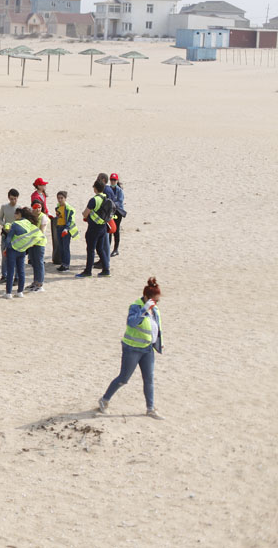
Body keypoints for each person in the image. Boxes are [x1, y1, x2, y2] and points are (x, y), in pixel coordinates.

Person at [97, 278, 164, 420]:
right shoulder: (135, 306)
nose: (156, 303)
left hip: (147, 349)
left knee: (149, 379)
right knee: (124, 378)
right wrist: (144, 310)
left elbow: (157, 327)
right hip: (132, 349)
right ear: (146, 298)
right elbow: (132, 323)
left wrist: (158, 342)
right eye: (154, 301)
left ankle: (150, 408)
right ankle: (104, 400)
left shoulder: (155, 309)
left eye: (157, 301)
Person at [3, 207, 42, 298]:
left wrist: (5, 248)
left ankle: (8, 293)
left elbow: (9, 238)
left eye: (16, 213)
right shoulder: (29, 224)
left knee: (10, 271)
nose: (14, 215)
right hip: (22, 249)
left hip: (13, 249)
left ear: (20, 214)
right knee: (21, 271)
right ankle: (20, 291)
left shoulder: (16, 224)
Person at [78, 180, 112, 278]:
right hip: (103, 227)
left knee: (90, 249)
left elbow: (85, 213)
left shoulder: (94, 200)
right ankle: (106, 269)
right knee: (100, 249)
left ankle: (88, 271)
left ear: (95, 188)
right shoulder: (106, 198)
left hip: (94, 228)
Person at [31, 177, 59, 267]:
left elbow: (44, 206)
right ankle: (33, 258)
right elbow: (36, 207)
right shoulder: (35, 196)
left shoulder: (42, 193)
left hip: (44, 215)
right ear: (38, 186)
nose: (45, 186)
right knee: (37, 236)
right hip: (38, 217)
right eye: (43, 184)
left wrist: (48, 213)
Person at [0, 189, 19, 285]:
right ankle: (4, 276)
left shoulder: (19, 208)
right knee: (4, 255)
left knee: (16, 256)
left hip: (16, 234)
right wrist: (4, 225)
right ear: (8, 198)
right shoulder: (4, 207)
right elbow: (0, 218)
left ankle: (16, 277)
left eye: (15, 199)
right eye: (11, 199)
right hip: (5, 233)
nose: (13, 201)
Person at [54, 191, 79, 272]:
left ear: (65, 198)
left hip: (65, 229)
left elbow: (70, 220)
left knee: (65, 247)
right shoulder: (58, 207)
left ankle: (66, 265)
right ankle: (63, 263)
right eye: (58, 198)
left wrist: (66, 228)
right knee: (61, 247)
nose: (60, 200)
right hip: (59, 228)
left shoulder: (69, 208)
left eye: (62, 198)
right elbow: (59, 217)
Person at [28, 203, 47, 292]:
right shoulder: (31, 217)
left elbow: (41, 231)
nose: (38, 209)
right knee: (34, 263)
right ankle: (35, 282)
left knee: (39, 263)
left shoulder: (43, 217)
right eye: (36, 207)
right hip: (32, 243)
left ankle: (40, 284)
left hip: (39, 243)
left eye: (39, 207)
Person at [109, 173, 126, 257]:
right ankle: (107, 248)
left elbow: (120, 202)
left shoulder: (119, 190)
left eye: (114, 180)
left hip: (117, 212)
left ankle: (116, 249)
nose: (112, 181)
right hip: (109, 212)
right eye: (111, 180)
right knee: (109, 230)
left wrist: (112, 204)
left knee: (116, 230)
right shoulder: (108, 189)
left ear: (117, 180)